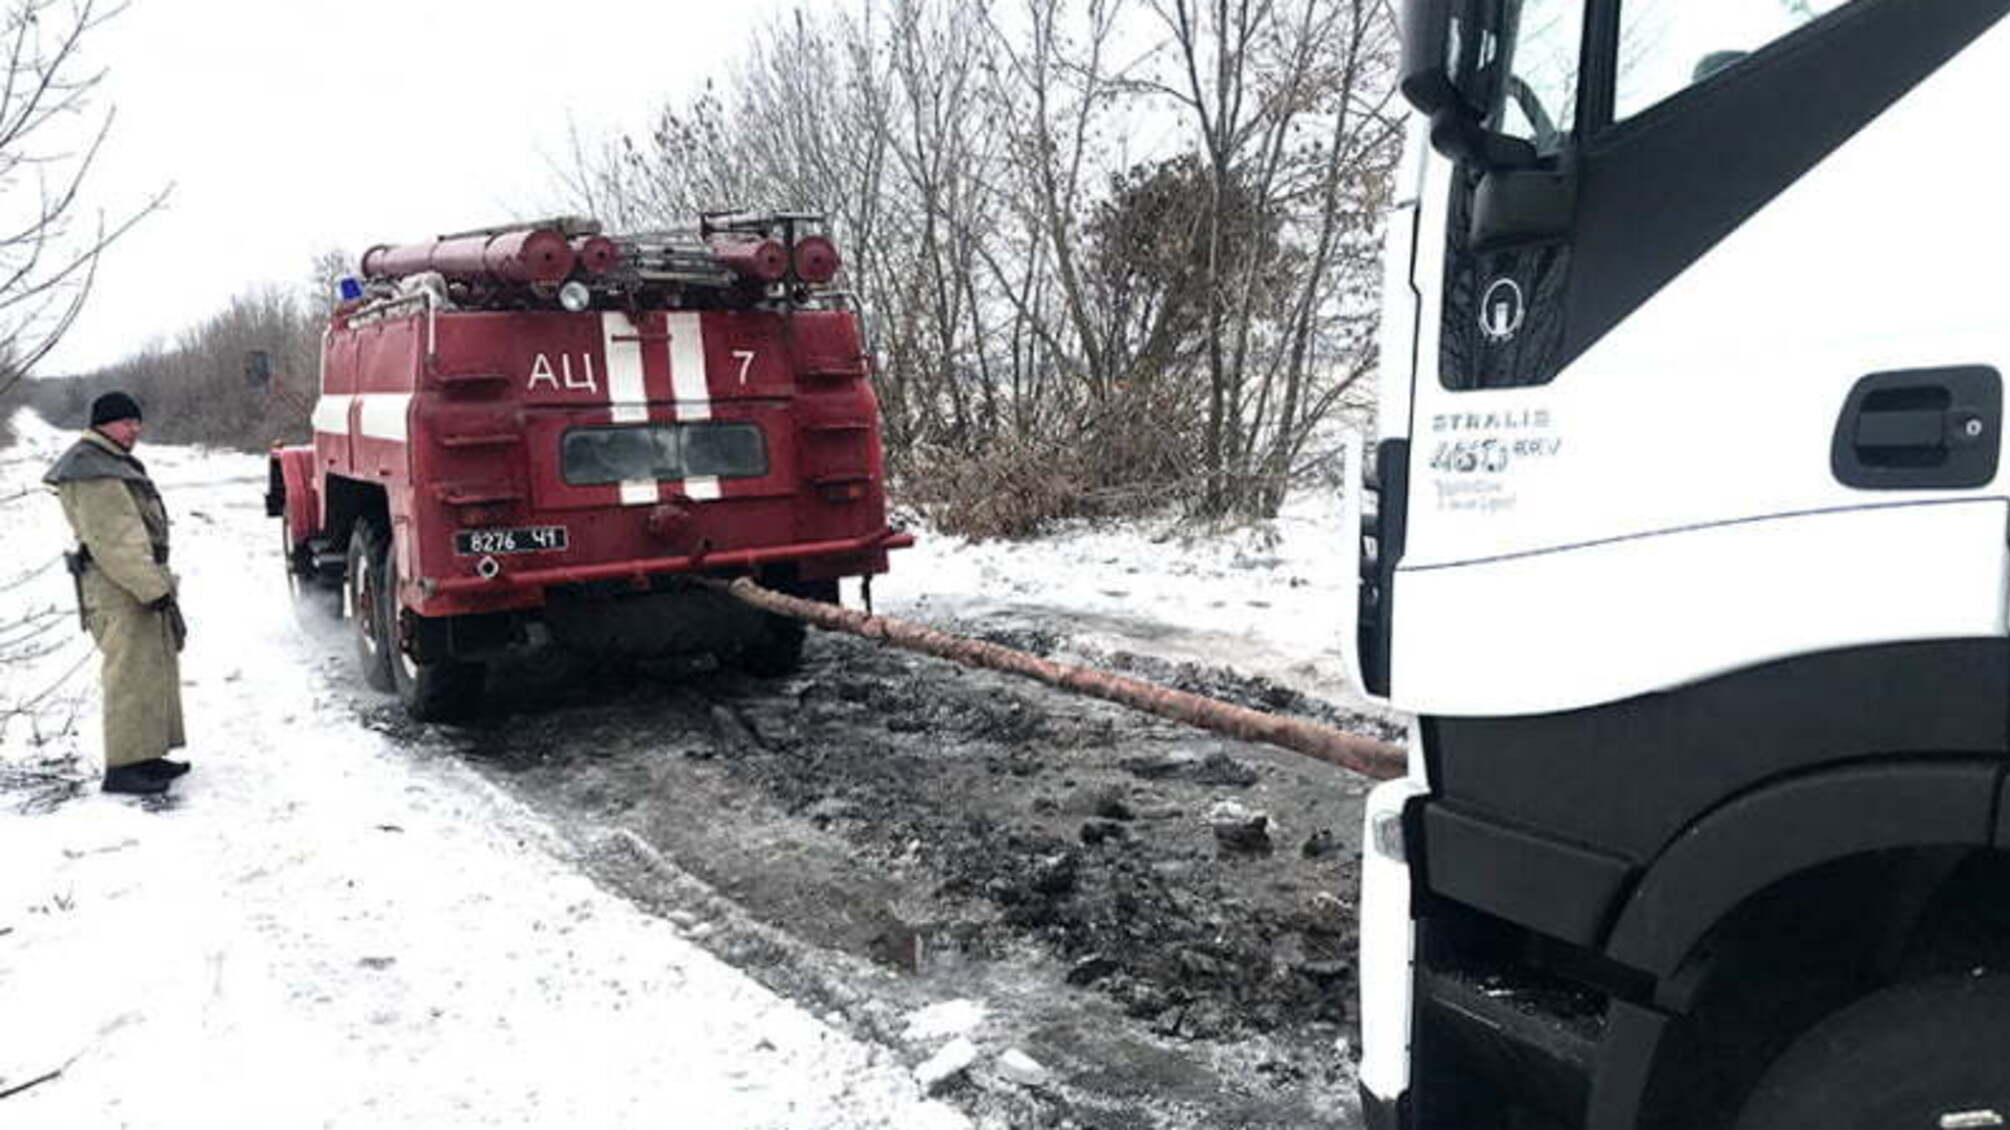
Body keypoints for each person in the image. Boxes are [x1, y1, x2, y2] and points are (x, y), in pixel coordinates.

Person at [42, 391, 189, 796]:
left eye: (137, 422)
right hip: (119, 587)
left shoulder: (106, 461)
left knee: (149, 670)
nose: (134, 430)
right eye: (127, 423)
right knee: (129, 675)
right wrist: (153, 588)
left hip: (129, 583)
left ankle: (146, 755)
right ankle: (124, 768)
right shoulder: (93, 470)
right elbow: (117, 540)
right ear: (103, 424)